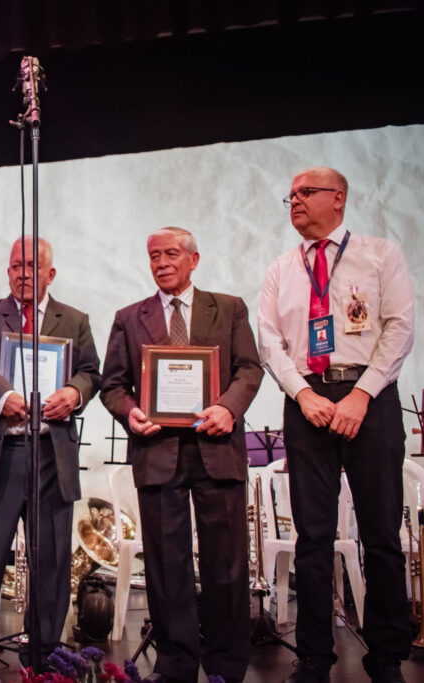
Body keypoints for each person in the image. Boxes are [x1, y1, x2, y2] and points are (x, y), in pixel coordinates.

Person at [257, 167, 414, 683]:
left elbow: (399, 327)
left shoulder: (379, 254)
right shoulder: (282, 267)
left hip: (370, 398)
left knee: (381, 532)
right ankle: (315, 657)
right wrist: (302, 394)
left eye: (306, 193)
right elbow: (269, 341)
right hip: (307, 404)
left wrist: (361, 395)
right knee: (312, 536)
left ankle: (387, 655)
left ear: (338, 198)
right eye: (291, 195)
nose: (295, 201)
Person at [100, 227, 262, 683]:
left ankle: (227, 668)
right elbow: (113, 384)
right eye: (154, 255)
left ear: (194, 259)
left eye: (172, 253)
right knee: (167, 567)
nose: (162, 262)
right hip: (157, 451)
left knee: (227, 567)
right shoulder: (130, 317)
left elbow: (249, 367)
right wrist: (130, 412)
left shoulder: (228, 308)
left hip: (218, 447)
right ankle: (175, 666)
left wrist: (228, 408)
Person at [0, 236, 102, 683]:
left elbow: (91, 372)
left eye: (33, 265)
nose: (23, 273)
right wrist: (5, 396)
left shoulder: (74, 319)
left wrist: (74, 393)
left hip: (52, 458)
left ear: (51, 273)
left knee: (51, 565)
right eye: (16, 265)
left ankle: (45, 654)